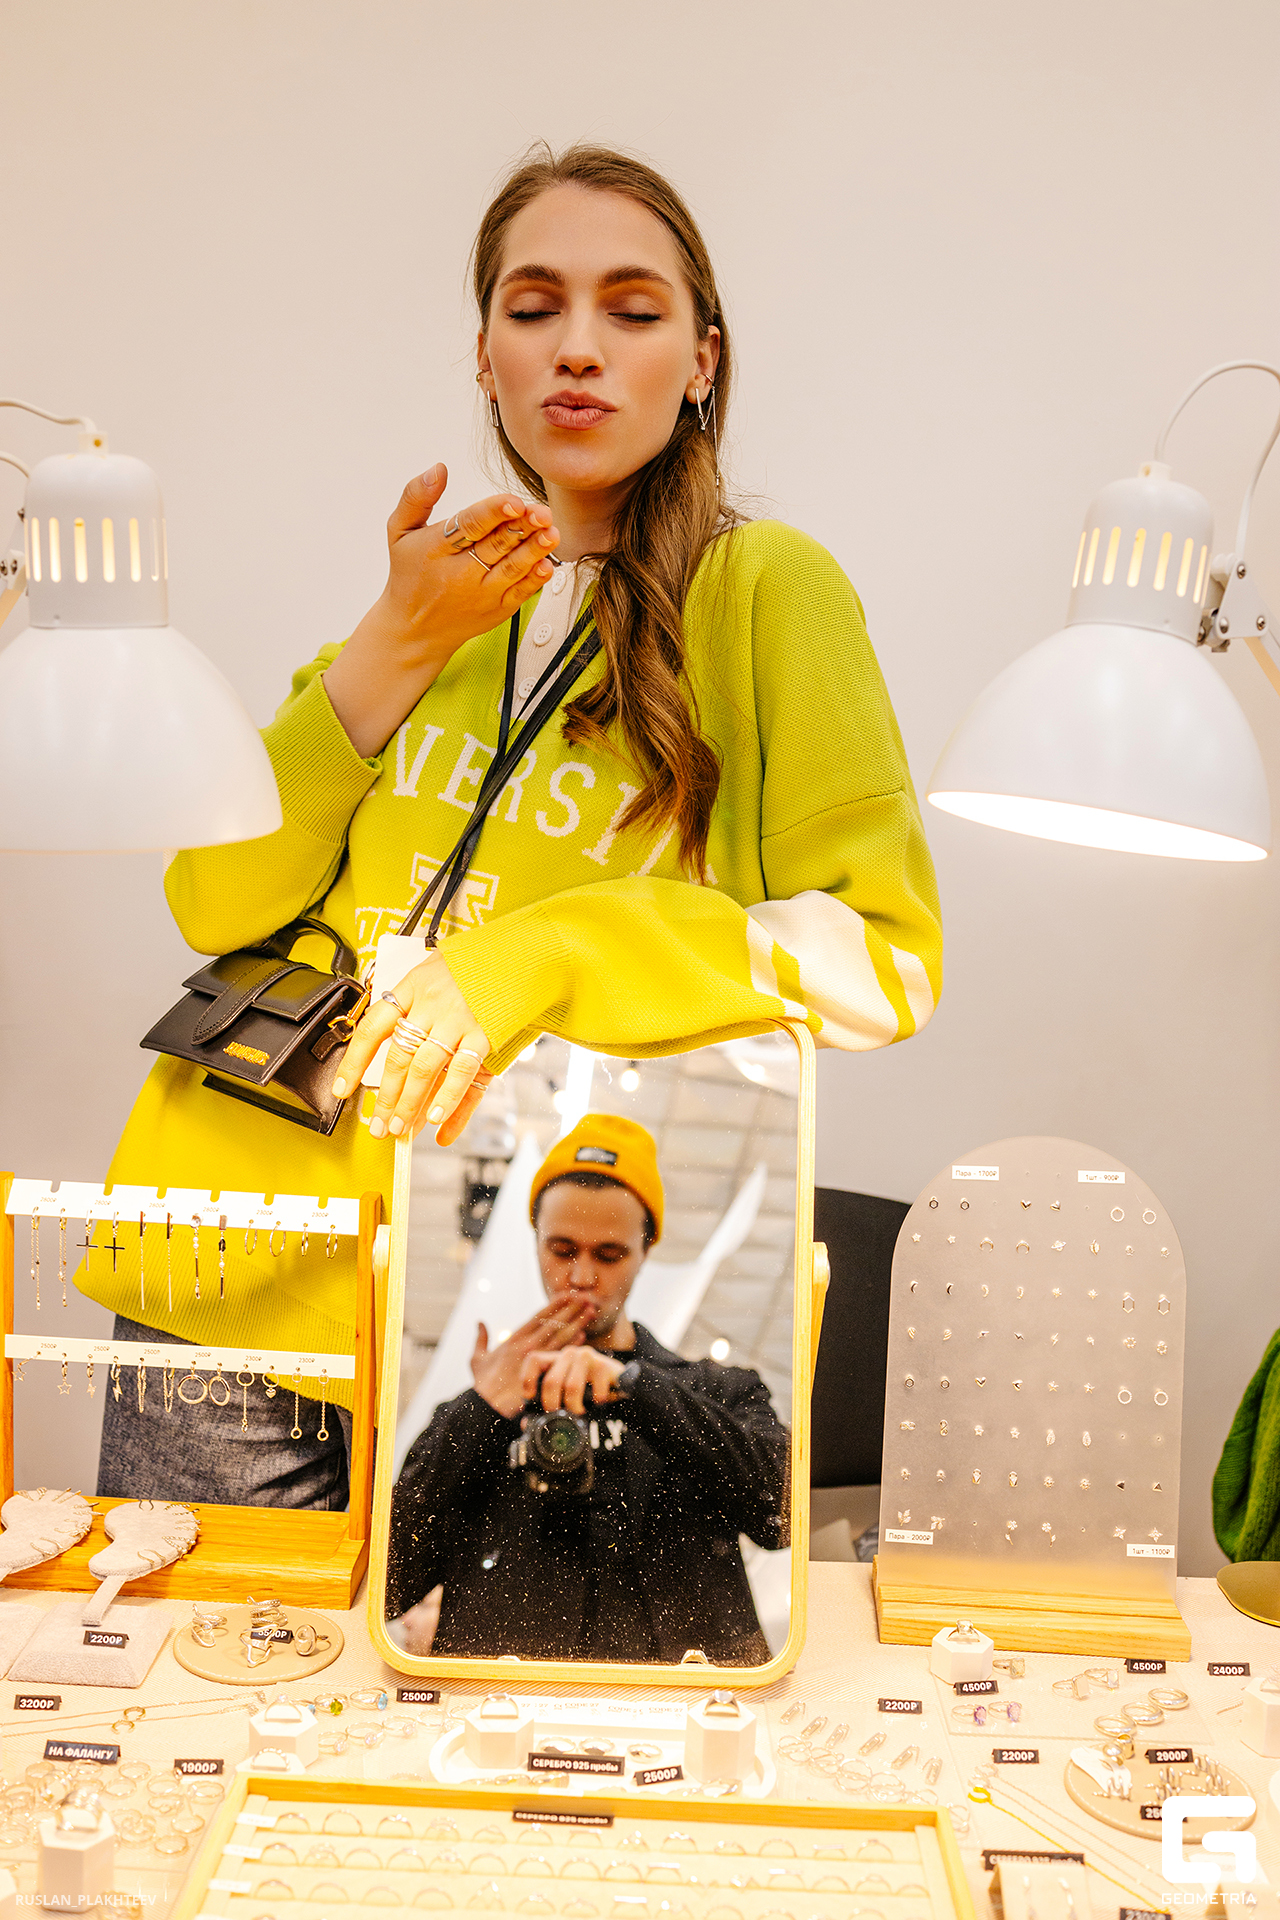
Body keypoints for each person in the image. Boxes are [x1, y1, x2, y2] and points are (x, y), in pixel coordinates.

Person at [79, 141, 943, 1507]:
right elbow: (215, 903)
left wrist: (545, 952)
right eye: (533, 309)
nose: (577, 348)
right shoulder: (446, 589)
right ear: (486, 359)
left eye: (632, 310)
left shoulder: (768, 592)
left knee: (470, 1655)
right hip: (229, 1266)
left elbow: (884, 958)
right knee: (195, 1649)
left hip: (495, 1318)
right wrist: (394, 638)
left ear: (703, 361)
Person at [388, 1114, 789, 1663]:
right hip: (502, 1701)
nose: (581, 1277)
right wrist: (480, 1411)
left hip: (689, 1700)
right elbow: (390, 1581)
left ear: (646, 1250)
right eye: (561, 1250)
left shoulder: (719, 1391)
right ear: (535, 1243)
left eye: (609, 1255)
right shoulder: (483, 1407)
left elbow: (780, 1518)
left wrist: (638, 1388)